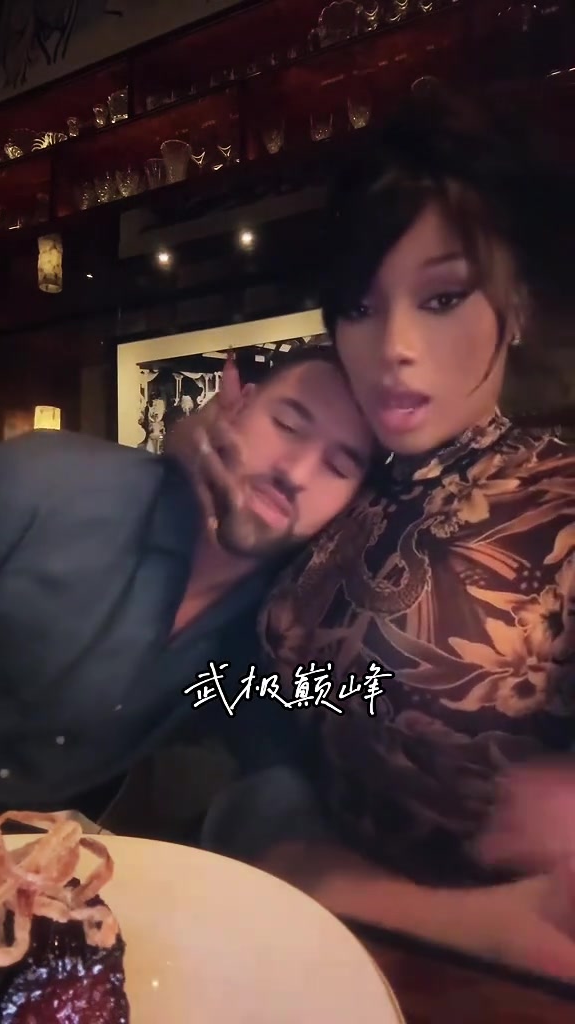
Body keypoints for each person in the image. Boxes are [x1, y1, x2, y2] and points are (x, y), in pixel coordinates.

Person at [204, 89, 575, 980]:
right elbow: (252, 697)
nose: (395, 346)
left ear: (518, 305)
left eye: (442, 297)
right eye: (361, 307)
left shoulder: (558, 497)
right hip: (306, 940)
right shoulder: (345, 485)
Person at [0, 345, 373, 820]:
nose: (295, 473)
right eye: (287, 425)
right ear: (237, 405)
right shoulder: (44, 484)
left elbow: (269, 767)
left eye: (338, 467)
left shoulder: (274, 625)